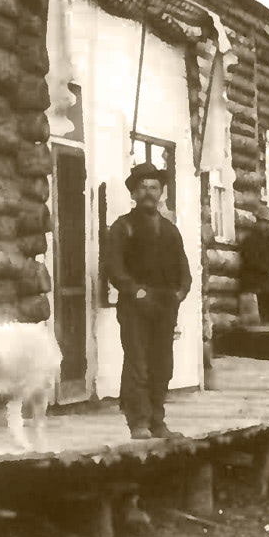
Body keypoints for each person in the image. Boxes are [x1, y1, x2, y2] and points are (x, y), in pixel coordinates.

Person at [103, 162, 192, 440]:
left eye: (153, 187)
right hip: (135, 306)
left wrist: (179, 293)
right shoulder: (123, 227)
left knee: (162, 364)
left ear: (161, 192)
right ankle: (138, 422)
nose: (148, 193)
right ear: (133, 193)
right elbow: (114, 268)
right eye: (142, 188)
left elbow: (184, 270)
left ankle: (157, 420)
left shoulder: (170, 230)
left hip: (165, 306)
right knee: (138, 363)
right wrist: (137, 292)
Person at [241, 205, 269, 323]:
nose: (266, 226)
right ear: (258, 222)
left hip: (267, 277)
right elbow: (252, 262)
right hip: (254, 277)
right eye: (264, 222)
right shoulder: (250, 240)